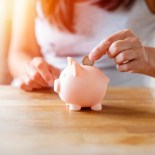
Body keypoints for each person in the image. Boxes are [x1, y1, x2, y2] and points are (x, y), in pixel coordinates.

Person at [9, 0, 155, 91]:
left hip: (124, 102)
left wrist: (149, 58)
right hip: (45, 96)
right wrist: (30, 71)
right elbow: (19, 52)